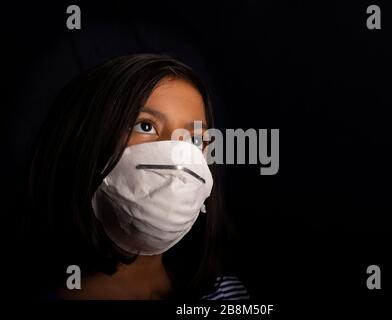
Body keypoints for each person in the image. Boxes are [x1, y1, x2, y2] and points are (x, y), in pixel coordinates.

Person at [21, 53, 249, 300]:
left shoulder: (224, 296)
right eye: (146, 126)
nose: (177, 155)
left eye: (194, 139)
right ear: (82, 143)